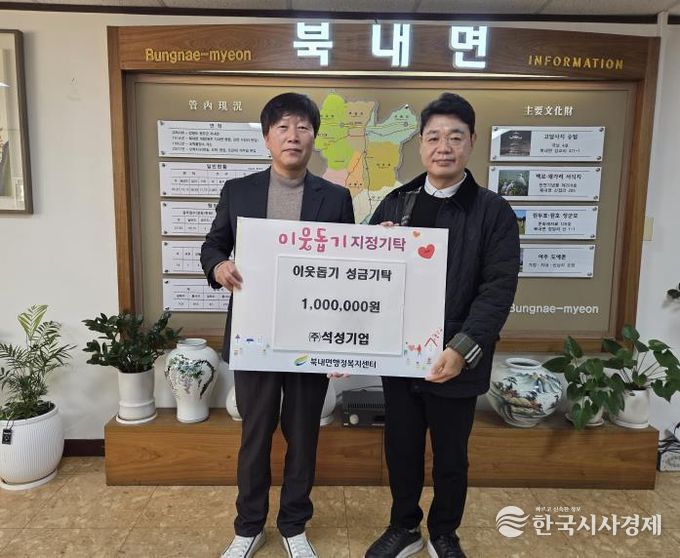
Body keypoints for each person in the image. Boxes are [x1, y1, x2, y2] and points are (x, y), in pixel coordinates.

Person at [365, 93, 520, 558]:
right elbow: (364, 279)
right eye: (433, 137)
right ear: (420, 144)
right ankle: (404, 527)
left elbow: (498, 289)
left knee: (451, 455)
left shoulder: (493, 211)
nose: (443, 147)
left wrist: (462, 348)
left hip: (456, 357)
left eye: (455, 136)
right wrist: (377, 247)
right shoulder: (396, 202)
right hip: (401, 355)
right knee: (401, 448)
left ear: (471, 141)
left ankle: (445, 532)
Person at [201, 92, 355, 558]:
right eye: (283, 127)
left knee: (304, 435)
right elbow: (213, 245)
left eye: (303, 127)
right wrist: (219, 266)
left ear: (314, 137)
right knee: (255, 435)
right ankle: (249, 526)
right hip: (256, 335)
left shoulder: (336, 197)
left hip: (311, 335)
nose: (293, 136)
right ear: (267, 137)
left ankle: (293, 525)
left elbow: (348, 269)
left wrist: (342, 343)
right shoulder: (239, 190)